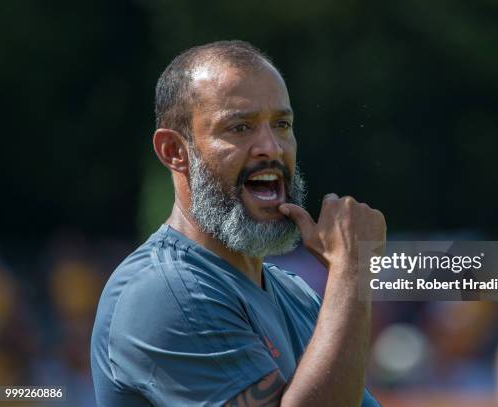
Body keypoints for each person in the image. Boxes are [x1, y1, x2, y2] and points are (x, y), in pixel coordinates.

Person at [90, 40, 386, 406]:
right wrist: (352, 269)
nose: (271, 148)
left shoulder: (293, 293)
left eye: (282, 125)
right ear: (174, 151)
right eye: (240, 127)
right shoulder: (167, 292)